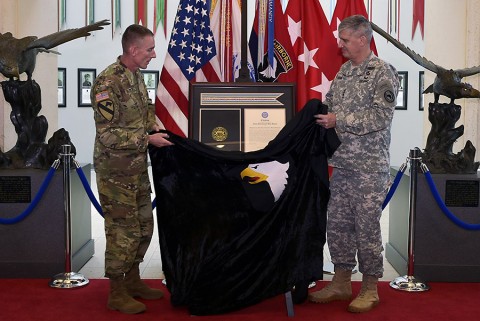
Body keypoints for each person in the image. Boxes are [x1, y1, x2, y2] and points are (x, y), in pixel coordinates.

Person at [308, 15, 399, 313]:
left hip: (369, 167)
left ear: (363, 38)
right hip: (343, 165)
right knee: (338, 225)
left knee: (366, 228)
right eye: (340, 39)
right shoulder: (344, 72)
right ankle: (342, 280)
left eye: (344, 39)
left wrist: (339, 120)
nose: (340, 44)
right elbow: (331, 105)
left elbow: (380, 118)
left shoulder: (383, 73)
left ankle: (370, 287)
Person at [90, 24, 173, 314]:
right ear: (133, 50)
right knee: (121, 231)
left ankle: (134, 280)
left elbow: (145, 109)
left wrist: (153, 124)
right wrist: (147, 138)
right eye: (149, 49)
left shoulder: (135, 77)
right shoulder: (106, 83)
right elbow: (108, 135)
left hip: (136, 168)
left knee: (143, 226)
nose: (153, 54)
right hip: (115, 171)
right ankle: (116, 291)